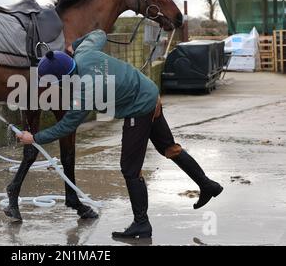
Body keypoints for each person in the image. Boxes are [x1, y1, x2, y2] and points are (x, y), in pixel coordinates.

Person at [17, 29, 223, 239]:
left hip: (140, 108)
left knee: (130, 169)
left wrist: (34, 138)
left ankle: (142, 224)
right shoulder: (85, 53)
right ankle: (208, 185)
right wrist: (74, 45)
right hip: (149, 91)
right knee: (169, 148)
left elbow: (66, 126)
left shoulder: (84, 92)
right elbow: (98, 33)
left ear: (63, 79)